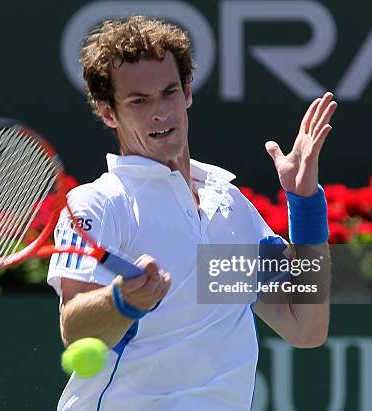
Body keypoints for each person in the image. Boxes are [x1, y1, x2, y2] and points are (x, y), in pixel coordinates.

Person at [47, 16, 335, 410]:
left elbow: (305, 327)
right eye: (139, 100)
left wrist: (304, 205)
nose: (160, 112)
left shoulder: (228, 206)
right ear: (108, 112)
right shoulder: (99, 204)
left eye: (169, 92)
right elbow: (76, 332)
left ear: (187, 92)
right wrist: (124, 300)